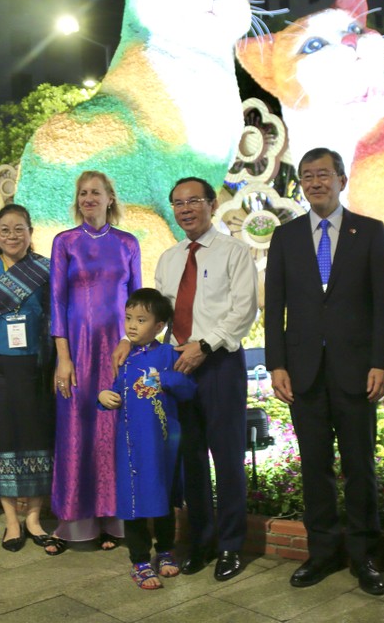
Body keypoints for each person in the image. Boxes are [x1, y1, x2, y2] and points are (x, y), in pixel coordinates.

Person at [264, 148, 384, 596]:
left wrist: (381, 361)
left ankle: (365, 557)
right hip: (303, 373)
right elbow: (275, 305)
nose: (315, 183)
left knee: (360, 466)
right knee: (314, 466)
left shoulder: (370, 232)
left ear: (342, 179)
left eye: (323, 175)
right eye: (307, 176)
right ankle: (321, 553)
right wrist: (276, 363)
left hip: (358, 371)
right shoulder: (286, 237)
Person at [145, 177, 258, 581]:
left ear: (211, 204)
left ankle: (230, 546)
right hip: (178, 368)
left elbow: (244, 312)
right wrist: (135, 342)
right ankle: (201, 543)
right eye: (178, 203)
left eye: (194, 201)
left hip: (219, 366)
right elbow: (159, 315)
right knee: (190, 461)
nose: (185, 209)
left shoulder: (234, 252)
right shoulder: (169, 258)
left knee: (227, 460)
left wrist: (204, 346)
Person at [48, 171, 141, 550]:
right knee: (77, 431)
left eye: (95, 193)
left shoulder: (128, 243)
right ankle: (76, 523)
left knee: (114, 431)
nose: (88, 198)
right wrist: (63, 359)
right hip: (77, 354)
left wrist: (131, 344)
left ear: (110, 199)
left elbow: (138, 302)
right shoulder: (64, 242)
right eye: (83, 193)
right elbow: (57, 301)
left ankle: (115, 522)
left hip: (119, 351)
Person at [0, 203, 57, 554]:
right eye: (5, 229)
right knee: (3, 443)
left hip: (37, 369)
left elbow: (58, 322)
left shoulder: (47, 270)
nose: (12, 235)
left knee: (37, 442)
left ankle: (33, 518)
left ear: (30, 232)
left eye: (19, 229)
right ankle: (12, 523)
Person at [100, 288, 197, 589]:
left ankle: (165, 551)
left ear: (159, 326)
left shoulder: (168, 354)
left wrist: (164, 378)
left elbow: (189, 389)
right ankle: (140, 560)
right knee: (134, 501)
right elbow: (113, 390)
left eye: (140, 320)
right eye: (128, 318)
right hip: (130, 447)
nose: (131, 326)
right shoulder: (125, 359)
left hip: (163, 445)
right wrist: (102, 396)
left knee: (164, 497)